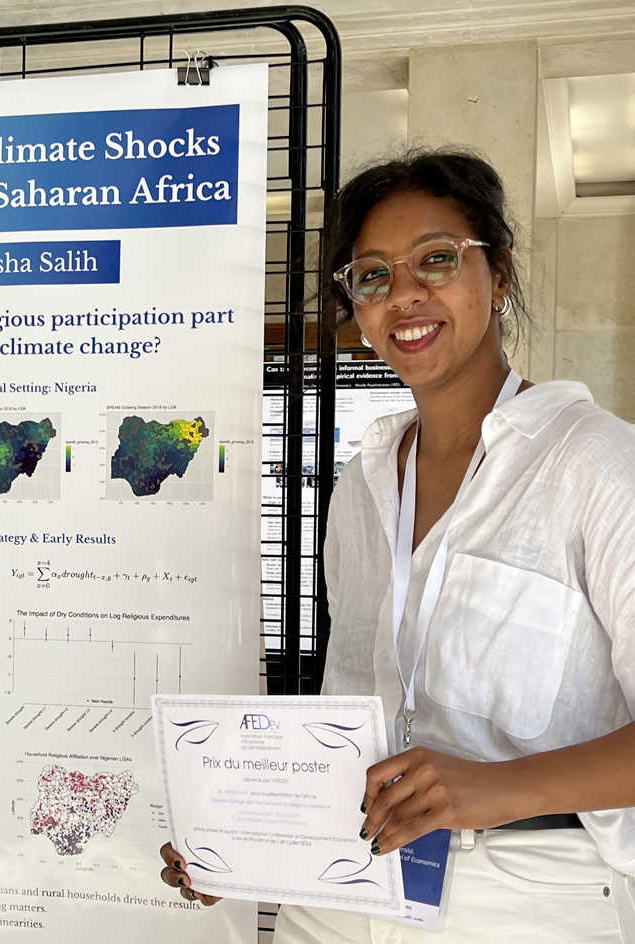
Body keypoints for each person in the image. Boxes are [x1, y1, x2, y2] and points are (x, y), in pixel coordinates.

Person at [160, 149, 635, 940]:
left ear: (499, 276)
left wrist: (497, 788)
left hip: (525, 895)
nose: (404, 293)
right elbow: (353, 715)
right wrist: (241, 838)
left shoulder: (596, 466)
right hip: (342, 887)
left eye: (437, 259)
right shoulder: (365, 481)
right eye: (372, 274)